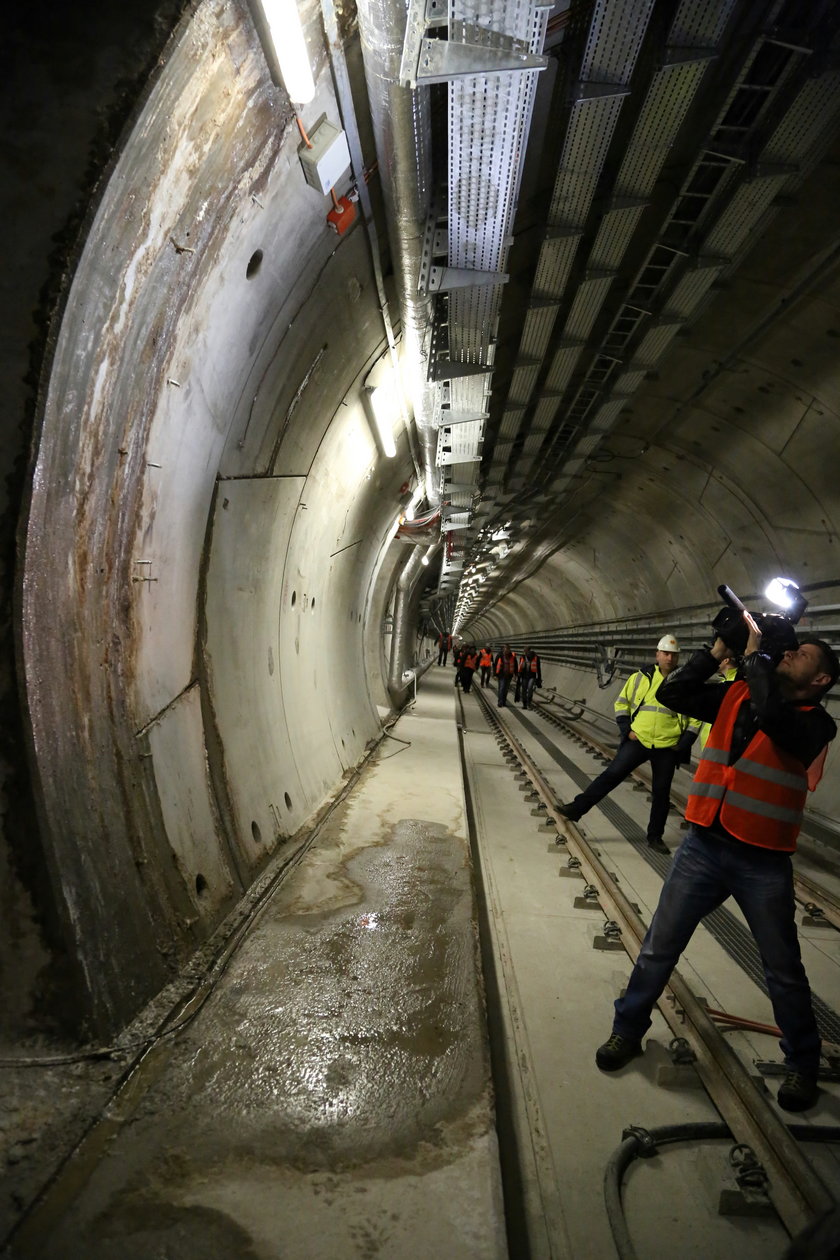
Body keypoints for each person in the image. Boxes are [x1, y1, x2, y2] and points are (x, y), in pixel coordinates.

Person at [594, 618, 839, 1114]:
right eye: (790, 649)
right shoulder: (736, 695)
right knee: (659, 946)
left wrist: (757, 658)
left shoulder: (815, 721)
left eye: (803, 654)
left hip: (762, 860)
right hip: (704, 845)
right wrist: (720, 646)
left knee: (783, 969)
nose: (792, 653)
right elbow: (675, 693)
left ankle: (802, 1064)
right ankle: (627, 1030)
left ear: (822, 680)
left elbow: (775, 715)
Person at [559, 635, 700, 854]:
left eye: (673, 654)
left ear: (678, 657)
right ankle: (576, 809)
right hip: (639, 739)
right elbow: (621, 703)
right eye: (666, 653)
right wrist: (627, 730)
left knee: (661, 793)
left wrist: (683, 744)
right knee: (611, 776)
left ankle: (655, 837)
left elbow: (695, 716)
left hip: (666, 746)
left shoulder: (685, 683)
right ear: (658, 654)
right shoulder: (639, 678)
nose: (669, 658)